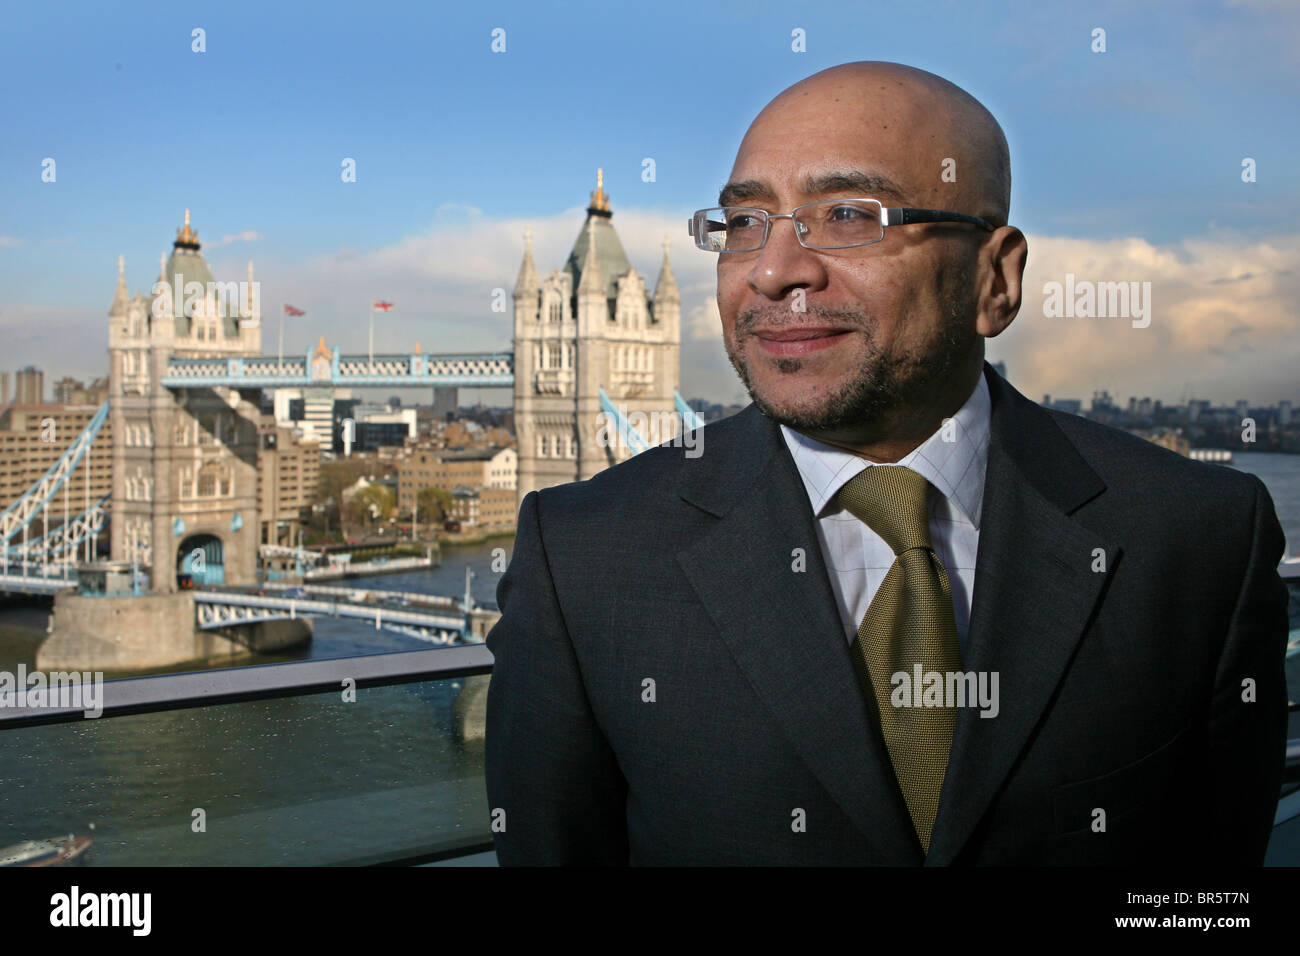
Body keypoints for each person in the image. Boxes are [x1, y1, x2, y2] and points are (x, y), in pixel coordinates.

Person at [484, 61, 1289, 865]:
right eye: (744, 224)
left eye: (846, 215)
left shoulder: (1200, 537)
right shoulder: (585, 554)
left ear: (995, 280)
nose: (774, 270)